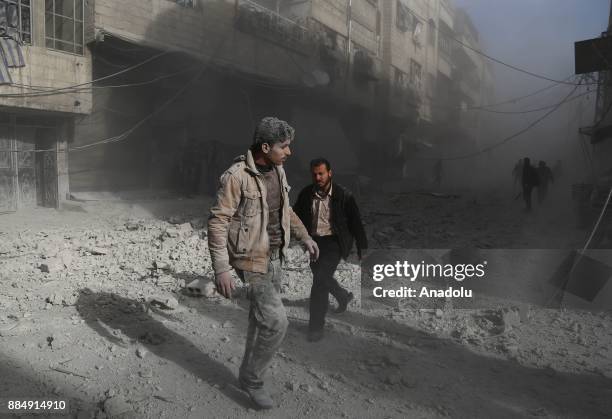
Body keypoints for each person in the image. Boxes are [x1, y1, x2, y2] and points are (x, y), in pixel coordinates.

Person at [207, 117, 319, 410]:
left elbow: (286, 209)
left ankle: (247, 374)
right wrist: (221, 268)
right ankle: (253, 381)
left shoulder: (278, 170)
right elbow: (218, 222)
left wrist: (304, 236)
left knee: (260, 320)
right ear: (265, 147)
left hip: (276, 256)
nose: (289, 152)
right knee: (277, 322)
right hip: (251, 260)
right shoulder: (236, 176)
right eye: (284, 147)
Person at [293, 158, 368, 342]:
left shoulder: (344, 195)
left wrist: (361, 246)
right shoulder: (306, 194)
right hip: (314, 242)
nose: (317, 177)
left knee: (319, 282)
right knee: (321, 275)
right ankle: (343, 295)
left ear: (330, 173)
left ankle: (315, 327)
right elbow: (295, 217)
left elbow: (355, 221)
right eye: (314, 174)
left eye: (321, 173)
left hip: (335, 243)